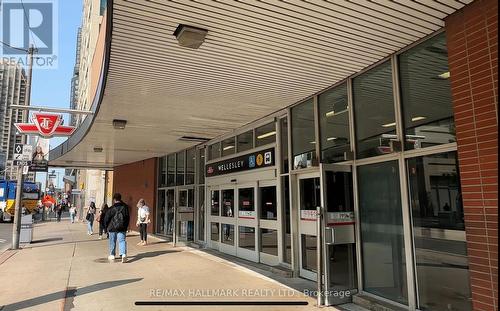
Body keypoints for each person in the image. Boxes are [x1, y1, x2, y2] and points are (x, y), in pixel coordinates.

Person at [104, 193, 130, 263]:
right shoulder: (125, 208)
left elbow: (106, 219)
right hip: (122, 228)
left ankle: (112, 255)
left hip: (112, 228)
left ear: (114, 199)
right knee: (122, 241)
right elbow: (127, 218)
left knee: (112, 241)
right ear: (120, 199)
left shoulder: (111, 208)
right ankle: (123, 254)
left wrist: (105, 227)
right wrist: (126, 226)